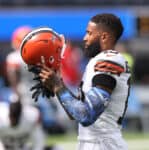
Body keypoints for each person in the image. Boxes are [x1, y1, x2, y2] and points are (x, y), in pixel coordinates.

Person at [27, 13, 131, 150]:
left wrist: (58, 86)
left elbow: (86, 116)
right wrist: (57, 86)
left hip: (103, 144)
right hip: (95, 142)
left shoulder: (108, 60)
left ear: (104, 36)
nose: (84, 38)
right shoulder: (98, 61)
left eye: (89, 33)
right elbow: (75, 113)